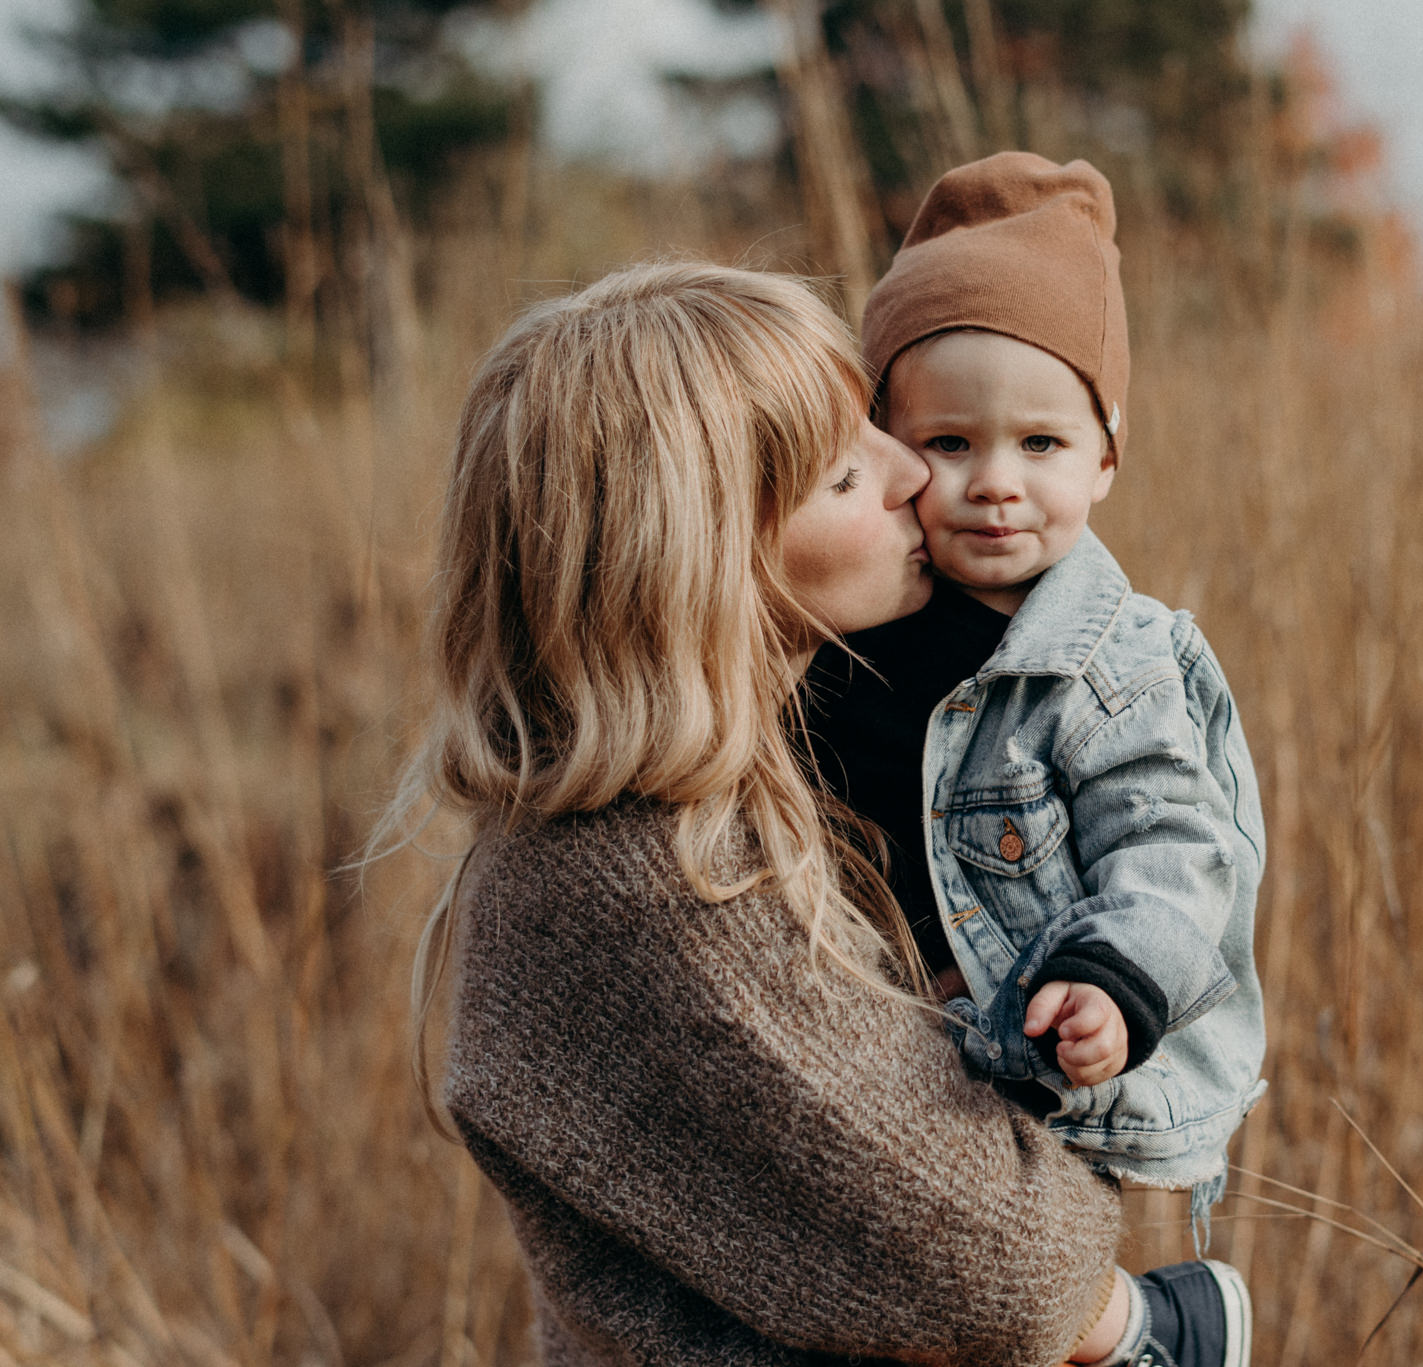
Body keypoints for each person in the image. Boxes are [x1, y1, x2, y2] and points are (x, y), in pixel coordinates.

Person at [397, 260, 1243, 1366]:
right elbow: (1019, 1268)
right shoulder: (641, 873)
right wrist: (1132, 1316)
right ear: (703, 562)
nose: (911, 472)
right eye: (846, 472)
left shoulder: (755, 784)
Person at [803, 153, 1265, 1349]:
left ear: (1106, 455)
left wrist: (1112, 981)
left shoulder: (1113, 663)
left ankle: (1155, 1331)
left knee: (982, 1294)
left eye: (1041, 446)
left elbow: (1174, 844)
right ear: (888, 449)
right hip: (887, 1039)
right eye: (948, 441)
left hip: (1041, 1050)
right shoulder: (842, 621)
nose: (994, 485)